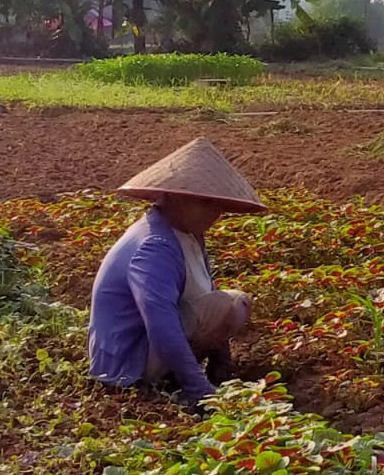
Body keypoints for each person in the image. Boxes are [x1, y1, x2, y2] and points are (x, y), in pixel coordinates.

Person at [88, 137, 265, 406]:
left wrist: (222, 372)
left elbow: (205, 293)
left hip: (149, 349)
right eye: (205, 202)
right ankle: (175, 385)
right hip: (128, 362)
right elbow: (161, 323)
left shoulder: (189, 235)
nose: (216, 213)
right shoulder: (155, 246)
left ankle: (187, 378)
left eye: (218, 204)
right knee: (227, 304)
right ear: (174, 197)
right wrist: (201, 391)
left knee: (233, 302)